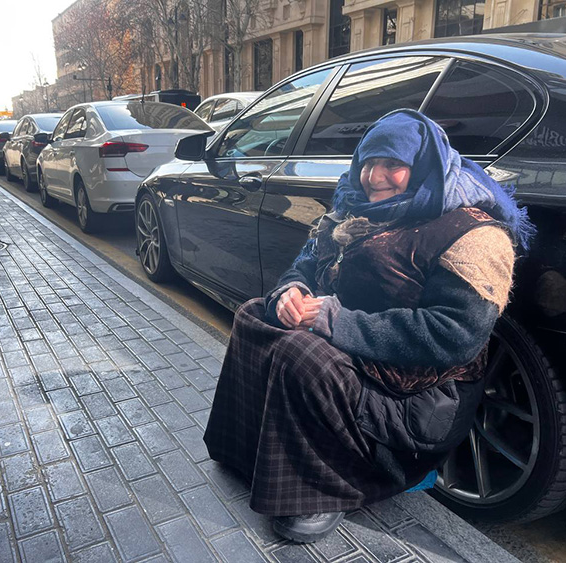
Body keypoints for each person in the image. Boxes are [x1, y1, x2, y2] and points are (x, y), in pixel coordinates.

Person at [203, 109, 535, 544]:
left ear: (425, 166)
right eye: (368, 162)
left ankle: (323, 490)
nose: (374, 177)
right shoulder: (350, 210)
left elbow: (456, 335)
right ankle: (249, 452)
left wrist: (335, 321)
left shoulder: (471, 234)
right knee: (254, 313)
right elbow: (305, 266)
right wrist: (290, 292)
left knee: (301, 353)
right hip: (351, 356)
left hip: (416, 396)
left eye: (393, 164)